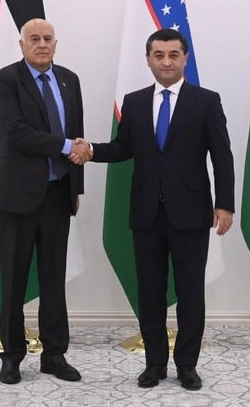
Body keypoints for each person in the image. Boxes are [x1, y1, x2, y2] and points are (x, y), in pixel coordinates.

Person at [78, 28, 235, 390]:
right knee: (150, 293)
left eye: (173, 55)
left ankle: (187, 366)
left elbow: (221, 156)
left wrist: (225, 204)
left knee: (190, 293)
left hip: (191, 213)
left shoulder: (206, 101)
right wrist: (91, 151)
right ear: (148, 59)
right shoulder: (134, 102)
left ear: (185, 59)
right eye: (159, 55)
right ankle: (154, 364)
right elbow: (123, 148)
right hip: (146, 213)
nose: (166, 62)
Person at [0, 18, 89, 385]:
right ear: (22, 45)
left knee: (53, 280)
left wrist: (75, 188)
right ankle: (12, 356)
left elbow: (76, 134)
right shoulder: (6, 79)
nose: (42, 44)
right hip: (16, 197)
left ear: (56, 43)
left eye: (48, 38)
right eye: (34, 39)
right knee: (13, 282)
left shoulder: (69, 80)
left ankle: (54, 355)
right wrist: (65, 146)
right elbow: (14, 132)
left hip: (57, 195)